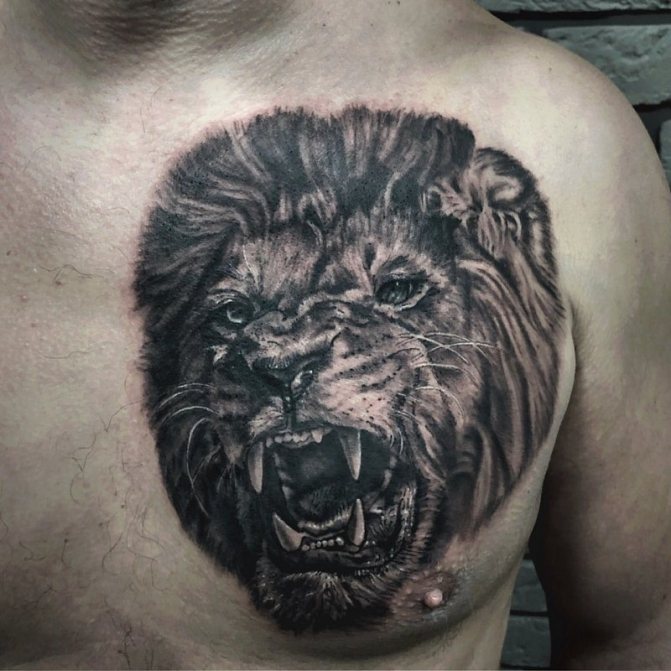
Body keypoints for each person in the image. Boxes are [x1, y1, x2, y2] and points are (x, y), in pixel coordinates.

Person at [0, 1, 669, 668]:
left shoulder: (560, 130)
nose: (279, 348)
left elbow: (640, 638)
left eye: (396, 290)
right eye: (233, 312)